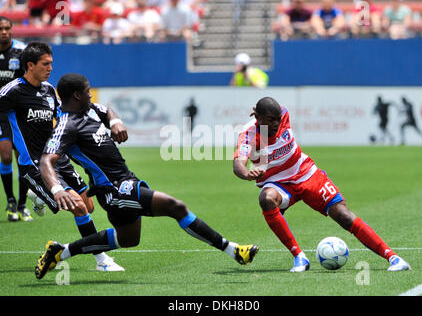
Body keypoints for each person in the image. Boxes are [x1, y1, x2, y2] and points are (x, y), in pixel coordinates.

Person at [34, 73, 259, 279]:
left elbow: (106, 110)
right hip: (113, 189)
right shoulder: (67, 124)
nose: (90, 95)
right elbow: (46, 160)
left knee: (128, 240)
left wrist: (115, 121)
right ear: (76, 95)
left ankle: (60, 253)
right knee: (175, 206)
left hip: (126, 180)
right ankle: (233, 250)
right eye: (87, 91)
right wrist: (57, 189)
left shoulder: (90, 109)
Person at [233, 96, 411, 272]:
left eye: (278, 120)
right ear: (259, 118)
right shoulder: (249, 135)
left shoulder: (282, 114)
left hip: (307, 173)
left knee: (344, 216)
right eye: (271, 120)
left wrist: (264, 112)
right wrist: (248, 174)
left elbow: (271, 111)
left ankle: (393, 258)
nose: (276, 124)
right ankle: (299, 257)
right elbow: (238, 164)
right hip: (278, 183)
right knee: (266, 199)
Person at [0, 42, 123, 271]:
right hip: (35, 165)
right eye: (46, 64)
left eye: (51, 63)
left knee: (88, 206)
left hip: (59, 159)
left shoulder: (48, 91)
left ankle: (39, 196)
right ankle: (102, 261)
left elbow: (68, 113)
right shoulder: (12, 91)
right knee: (78, 206)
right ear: (30, 65)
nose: (50, 68)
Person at [0, 16, 30, 222]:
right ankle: (10, 201)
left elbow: (30, 78)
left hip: (19, 112)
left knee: (23, 158)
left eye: (7, 28)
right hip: (0, 112)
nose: (4, 32)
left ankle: (23, 204)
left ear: (12, 30)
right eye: (0, 29)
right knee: (6, 156)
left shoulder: (21, 51)